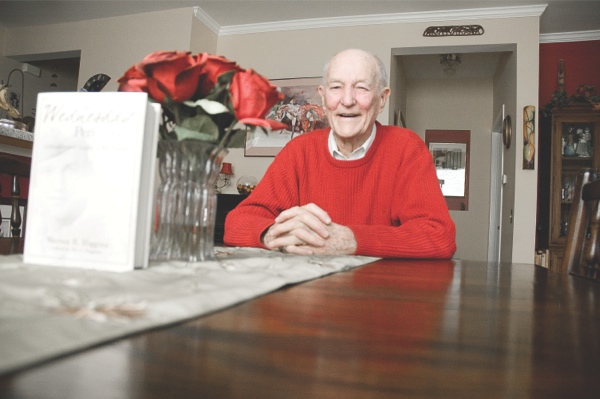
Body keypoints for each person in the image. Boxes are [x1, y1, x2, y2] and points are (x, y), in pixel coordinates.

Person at [224, 48, 456, 258]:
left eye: (361, 88)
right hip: (308, 297)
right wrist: (273, 234)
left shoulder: (407, 148)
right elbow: (236, 223)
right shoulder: (298, 151)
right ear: (323, 99)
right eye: (336, 88)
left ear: (382, 99)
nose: (347, 101)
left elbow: (439, 236)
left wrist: (352, 241)